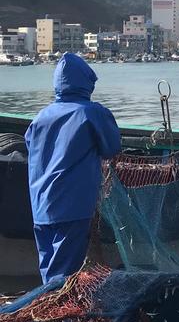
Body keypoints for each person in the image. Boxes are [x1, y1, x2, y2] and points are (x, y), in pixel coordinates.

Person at [25, 53, 121, 283]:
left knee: (49, 266)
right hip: (73, 206)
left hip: (41, 206)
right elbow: (111, 148)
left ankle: (48, 310)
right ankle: (61, 317)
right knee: (64, 274)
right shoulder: (91, 112)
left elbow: (31, 149)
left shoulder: (40, 117)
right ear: (86, 82)